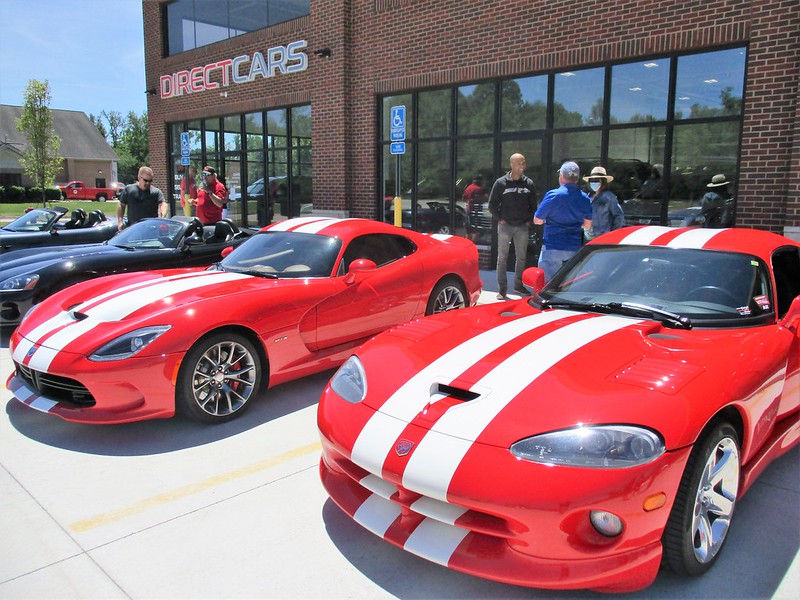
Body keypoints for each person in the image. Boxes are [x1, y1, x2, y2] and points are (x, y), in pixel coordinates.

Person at [488, 154, 537, 300]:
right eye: (519, 163)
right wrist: (500, 218)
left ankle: (518, 285)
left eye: (523, 163)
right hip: (505, 226)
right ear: (511, 164)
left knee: (521, 258)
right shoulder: (501, 183)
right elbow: (492, 204)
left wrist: (529, 220)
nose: (522, 165)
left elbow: (534, 206)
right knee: (502, 258)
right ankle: (502, 290)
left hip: (522, 226)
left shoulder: (529, 183)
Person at [534, 161, 592, 282]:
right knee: (567, 285)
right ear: (577, 178)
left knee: (548, 286)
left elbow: (537, 220)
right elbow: (587, 225)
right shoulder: (585, 198)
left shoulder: (553, 195)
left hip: (553, 246)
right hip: (573, 248)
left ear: (561, 175)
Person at [117, 166, 167, 230]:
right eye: (145, 180)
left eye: (150, 181)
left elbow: (163, 204)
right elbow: (121, 205)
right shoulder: (129, 190)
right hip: (133, 227)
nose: (148, 183)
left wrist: (162, 217)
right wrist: (120, 221)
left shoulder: (156, 192)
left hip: (151, 227)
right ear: (139, 178)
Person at [583, 166, 624, 239]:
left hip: (603, 238)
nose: (594, 182)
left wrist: (612, 234)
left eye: (597, 180)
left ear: (603, 181)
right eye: (592, 180)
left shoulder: (609, 197)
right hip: (588, 239)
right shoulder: (589, 197)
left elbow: (619, 216)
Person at [463, 175, 487, 241]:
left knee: (469, 230)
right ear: (479, 181)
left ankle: (467, 245)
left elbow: (464, 198)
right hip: (476, 211)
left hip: (468, 211)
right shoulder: (478, 189)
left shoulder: (468, 188)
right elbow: (483, 199)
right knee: (477, 230)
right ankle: (474, 244)